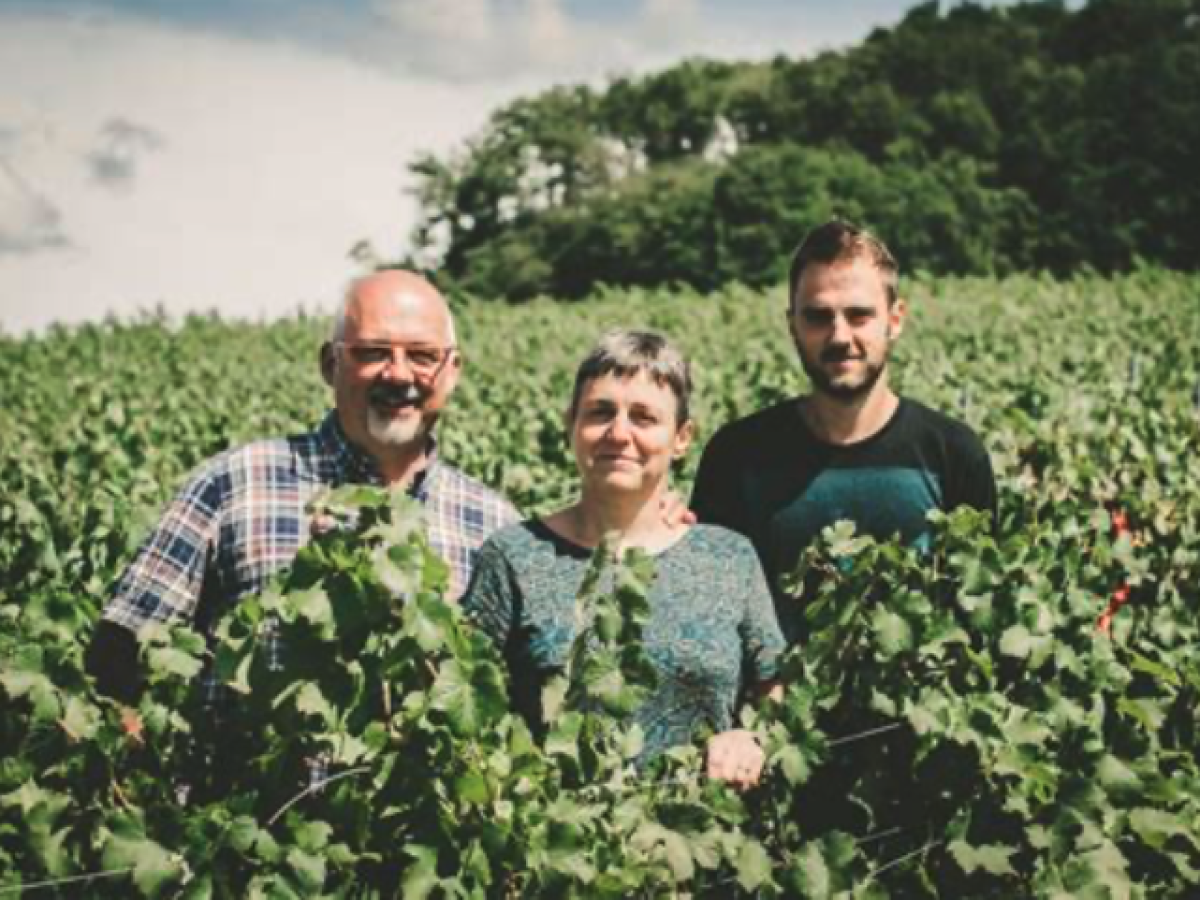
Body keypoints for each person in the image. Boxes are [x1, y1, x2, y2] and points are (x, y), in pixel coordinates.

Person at [86, 270, 519, 704]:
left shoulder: (494, 526)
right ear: (331, 365)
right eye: (373, 352)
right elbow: (120, 654)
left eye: (423, 356)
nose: (398, 374)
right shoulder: (234, 484)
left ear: (453, 371)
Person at [462, 330, 785, 788]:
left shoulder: (729, 557)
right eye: (600, 413)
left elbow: (774, 685)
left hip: (708, 840)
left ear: (681, 438)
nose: (619, 433)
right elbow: (468, 703)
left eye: (644, 417)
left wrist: (750, 737)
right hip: (552, 847)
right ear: (570, 425)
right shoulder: (513, 556)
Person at [691, 220, 996, 639]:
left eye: (858, 315)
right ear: (792, 324)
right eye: (818, 317)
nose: (839, 336)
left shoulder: (953, 455)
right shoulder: (738, 456)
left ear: (895, 318)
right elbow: (712, 619)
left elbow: (979, 619)